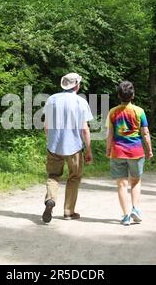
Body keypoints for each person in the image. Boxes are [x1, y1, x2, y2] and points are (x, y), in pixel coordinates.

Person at [42, 72, 94, 223]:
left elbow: (46, 126)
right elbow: (85, 129)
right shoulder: (80, 102)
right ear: (76, 85)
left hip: (54, 145)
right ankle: (68, 211)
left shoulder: (52, 99)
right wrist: (89, 149)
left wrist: (50, 141)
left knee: (53, 176)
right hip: (74, 147)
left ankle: (50, 200)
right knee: (74, 177)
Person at [106, 81, 153, 226]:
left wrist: (108, 149)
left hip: (118, 151)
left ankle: (126, 216)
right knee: (136, 181)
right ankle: (135, 209)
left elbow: (110, 134)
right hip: (136, 152)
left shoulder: (113, 112)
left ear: (119, 95)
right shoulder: (139, 111)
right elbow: (145, 133)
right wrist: (149, 149)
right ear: (132, 95)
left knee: (121, 184)